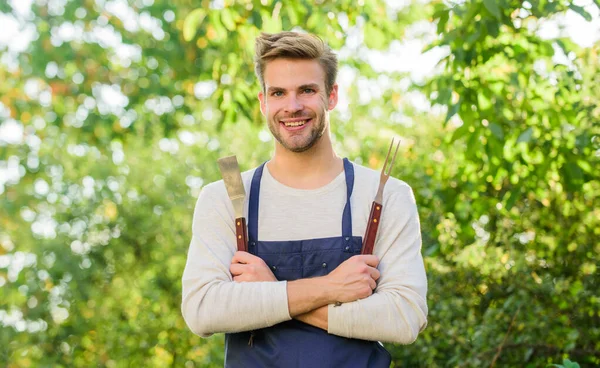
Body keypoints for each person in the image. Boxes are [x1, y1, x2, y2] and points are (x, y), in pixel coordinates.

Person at [181, 31, 428, 367]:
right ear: (262, 102)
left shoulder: (387, 196)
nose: (292, 106)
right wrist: (329, 288)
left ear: (332, 96)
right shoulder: (224, 197)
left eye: (307, 90)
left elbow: (404, 317)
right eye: (278, 92)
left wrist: (271, 290)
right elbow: (202, 310)